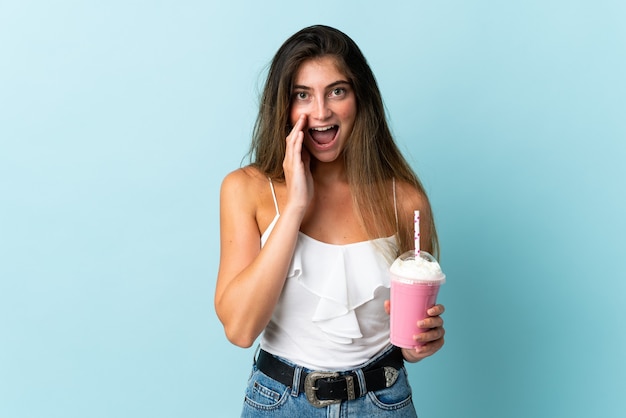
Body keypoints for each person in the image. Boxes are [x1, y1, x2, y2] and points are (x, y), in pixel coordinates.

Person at [215, 25, 445, 417]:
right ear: (283, 106)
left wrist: (419, 342)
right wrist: (295, 209)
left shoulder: (405, 200)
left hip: (382, 402)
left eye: (337, 91)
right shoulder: (246, 190)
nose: (320, 112)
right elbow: (240, 329)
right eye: (302, 95)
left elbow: (408, 337)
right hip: (279, 404)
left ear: (359, 99)